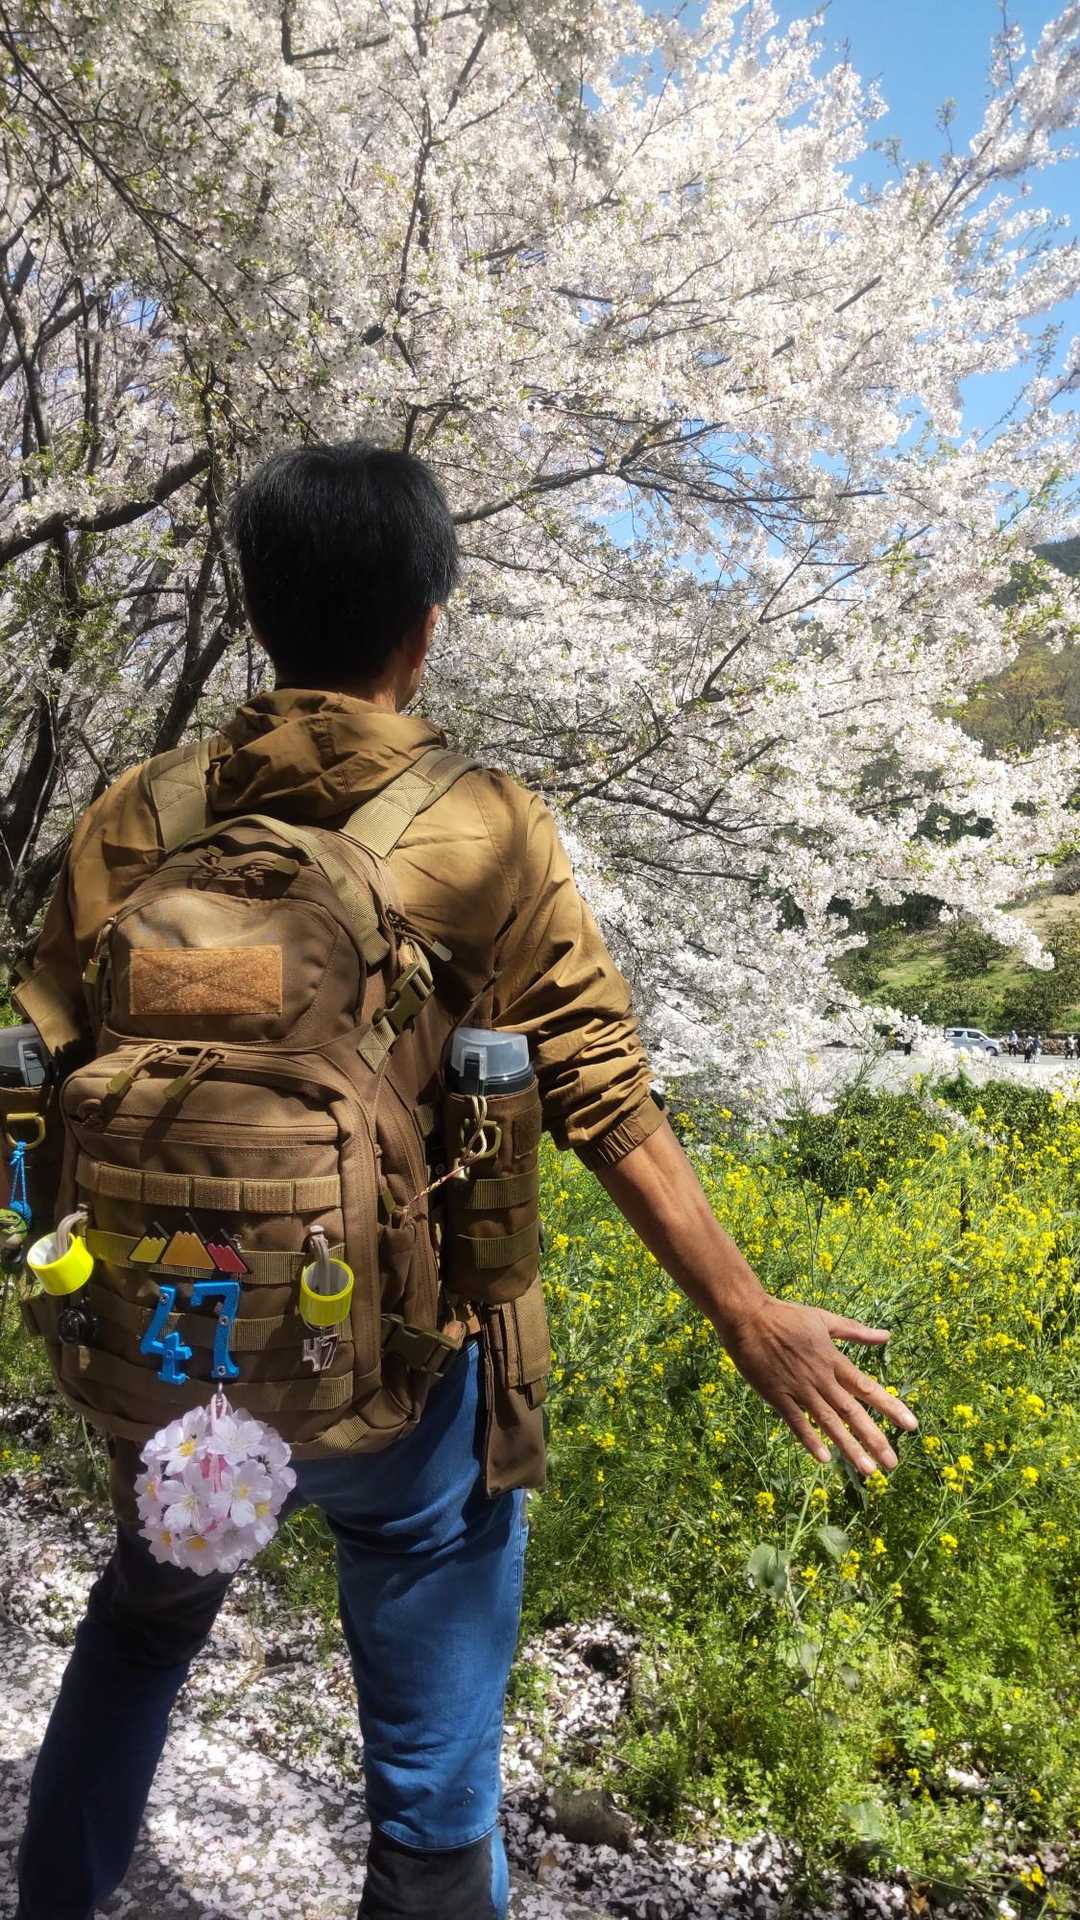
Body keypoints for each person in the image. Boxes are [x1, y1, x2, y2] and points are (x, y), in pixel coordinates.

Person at [11, 441, 918, 1920]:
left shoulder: (137, 814)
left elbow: (47, 1058)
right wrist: (748, 1315)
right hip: (403, 1380)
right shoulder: (487, 825)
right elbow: (602, 1095)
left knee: (141, 1634)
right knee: (434, 1770)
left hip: (178, 1364)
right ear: (426, 624)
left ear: (256, 612)